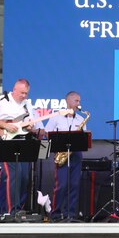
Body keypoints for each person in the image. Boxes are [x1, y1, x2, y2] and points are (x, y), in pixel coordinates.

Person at [0, 78, 38, 218]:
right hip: (7, 142)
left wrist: (30, 126)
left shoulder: (27, 105)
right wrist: (5, 125)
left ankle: (6, 209)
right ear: (14, 89)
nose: (24, 96)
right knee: (12, 176)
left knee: (24, 177)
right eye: (22, 93)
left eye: (26, 93)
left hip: (23, 142)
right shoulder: (2, 100)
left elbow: (30, 124)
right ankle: (11, 210)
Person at [43, 91, 86, 221]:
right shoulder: (56, 117)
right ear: (68, 101)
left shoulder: (80, 119)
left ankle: (71, 214)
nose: (78, 104)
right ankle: (56, 214)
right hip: (61, 153)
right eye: (76, 101)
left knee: (74, 185)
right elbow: (47, 133)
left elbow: (84, 138)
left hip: (76, 154)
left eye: (79, 101)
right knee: (61, 185)